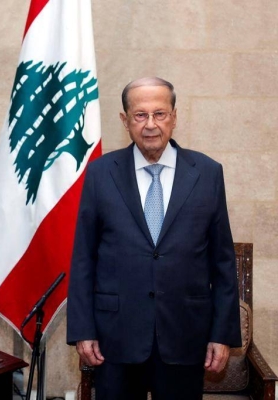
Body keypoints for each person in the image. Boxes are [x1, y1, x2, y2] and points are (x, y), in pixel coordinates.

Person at [66, 77, 241, 399]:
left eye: (159, 114)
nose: (150, 125)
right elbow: (83, 258)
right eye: (140, 115)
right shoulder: (100, 173)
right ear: (125, 120)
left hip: (185, 335)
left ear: (174, 117)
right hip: (115, 338)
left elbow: (223, 262)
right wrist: (82, 330)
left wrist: (222, 334)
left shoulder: (207, 172)